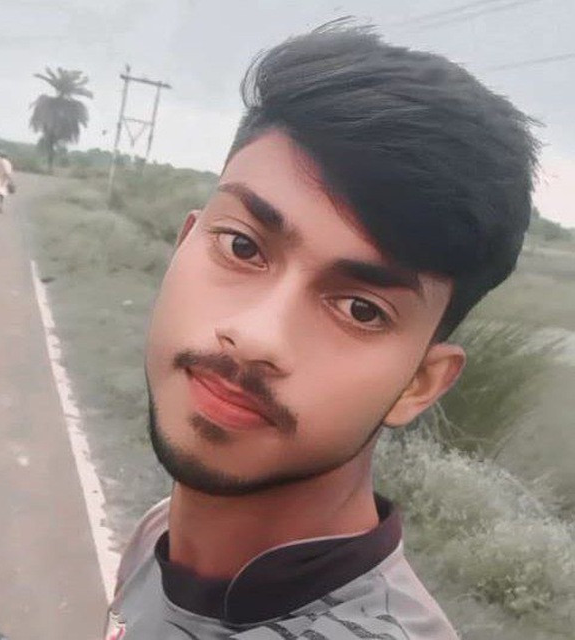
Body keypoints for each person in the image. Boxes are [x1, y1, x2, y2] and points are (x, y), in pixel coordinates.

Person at [105, 22, 537, 640]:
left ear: (419, 383)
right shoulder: (161, 532)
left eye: (360, 309)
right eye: (242, 247)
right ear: (184, 244)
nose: (258, 336)